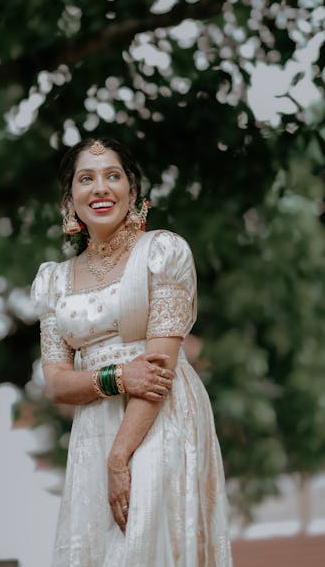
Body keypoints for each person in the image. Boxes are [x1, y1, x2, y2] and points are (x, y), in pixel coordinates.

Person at [31, 137, 233, 566]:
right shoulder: (54, 282)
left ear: (133, 192)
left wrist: (120, 456)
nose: (100, 188)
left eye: (113, 176)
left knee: (147, 541)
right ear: (70, 201)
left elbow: (159, 365)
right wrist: (115, 378)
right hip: (93, 426)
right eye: (86, 179)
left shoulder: (162, 253)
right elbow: (55, 383)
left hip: (159, 415)